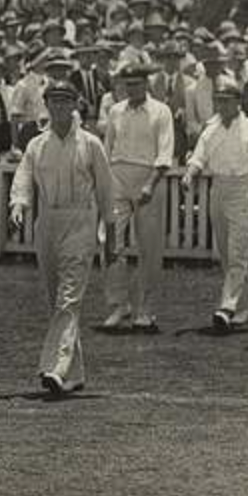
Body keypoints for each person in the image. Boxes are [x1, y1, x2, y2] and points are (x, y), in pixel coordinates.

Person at [10, 81, 114, 397]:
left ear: (75, 105)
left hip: (81, 220)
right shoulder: (37, 145)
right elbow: (24, 177)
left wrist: (110, 233)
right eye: (52, 102)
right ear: (46, 105)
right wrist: (19, 203)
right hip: (48, 221)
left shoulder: (90, 144)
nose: (58, 107)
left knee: (68, 299)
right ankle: (74, 373)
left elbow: (106, 190)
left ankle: (54, 368)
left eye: (64, 101)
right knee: (58, 300)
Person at [180, 77, 248, 331]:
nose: (222, 105)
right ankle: (247, 304)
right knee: (226, 252)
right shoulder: (211, 128)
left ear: (238, 103)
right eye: (218, 101)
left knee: (238, 251)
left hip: (243, 189)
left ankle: (227, 307)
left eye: (227, 101)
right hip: (218, 189)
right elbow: (199, 156)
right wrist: (189, 175)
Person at [102, 63, 174, 331]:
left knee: (150, 248)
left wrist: (150, 184)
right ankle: (119, 305)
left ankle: (145, 308)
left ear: (146, 84)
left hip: (149, 178)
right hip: (117, 176)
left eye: (136, 83)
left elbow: (165, 153)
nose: (130, 89)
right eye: (126, 84)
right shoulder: (115, 111)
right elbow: (107, 150)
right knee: (109, 242)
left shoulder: (160, 111)